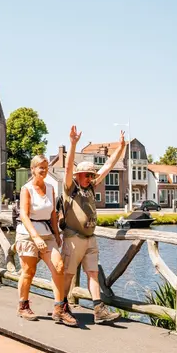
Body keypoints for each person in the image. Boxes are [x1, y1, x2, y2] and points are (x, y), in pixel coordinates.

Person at [61, 125, 126, 325]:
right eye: (87, 175)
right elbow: (69, 166)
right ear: (78, 176)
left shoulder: (91, 187)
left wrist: (121, 148)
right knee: (68, 275)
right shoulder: (70, 188)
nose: (90, 177)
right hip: (73, 238)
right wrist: (73, 144)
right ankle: (61, 305)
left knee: (92, 273)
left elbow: (107, 166)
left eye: (91, 175)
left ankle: (98, 309)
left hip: (90, 238)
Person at [13, 155, 75, 325]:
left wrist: (56, 234)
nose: (44, 170)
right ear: (32, 169)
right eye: (40, 167)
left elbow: (53, 214)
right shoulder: (27, 189)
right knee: (29, 271)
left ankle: (59, 308)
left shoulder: (50, 188)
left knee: (59, 266)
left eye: (46, 167)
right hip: (28, 233)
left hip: (47, 233)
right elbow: (24, 215)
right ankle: (23, 305)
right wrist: (35, 236)